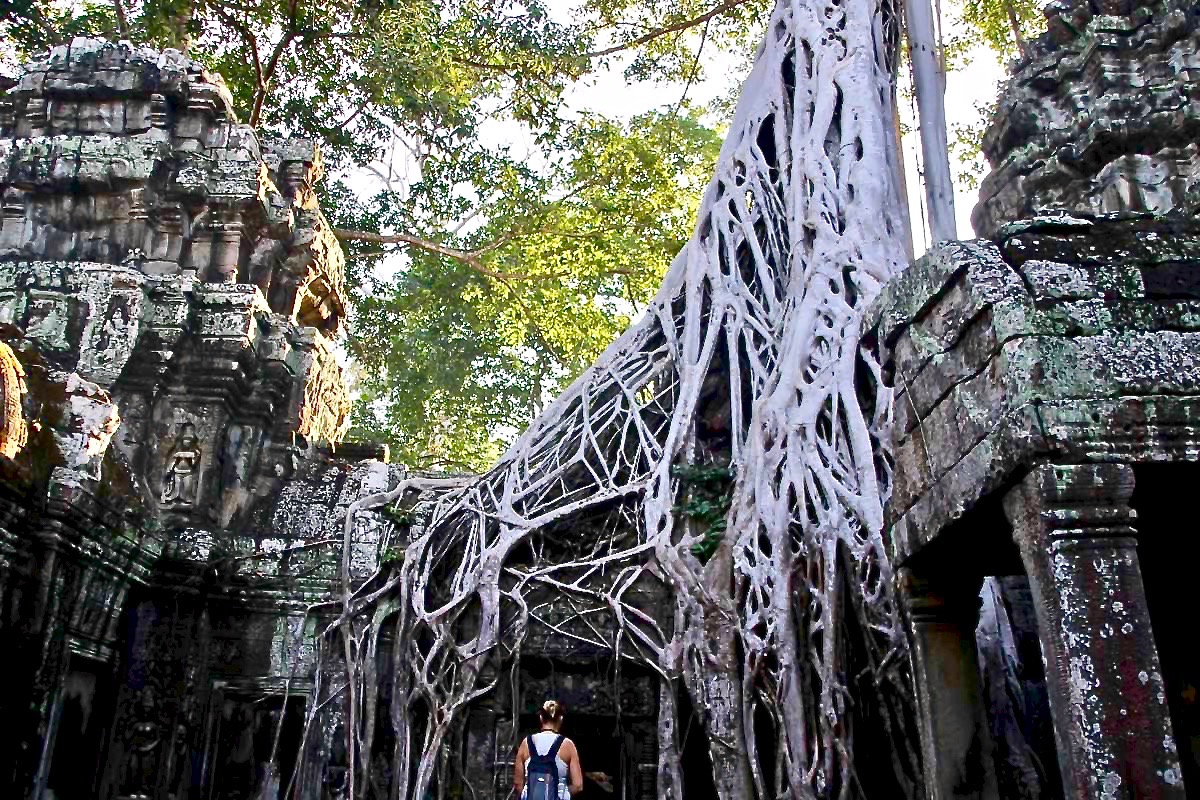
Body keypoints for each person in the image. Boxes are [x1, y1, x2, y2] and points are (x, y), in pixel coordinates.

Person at [513, 700, 584, 799]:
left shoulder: (526, 743)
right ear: (561, 719)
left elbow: (518, 783)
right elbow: (578, 786)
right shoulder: (567, 745)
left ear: (541, 718)